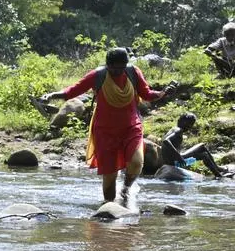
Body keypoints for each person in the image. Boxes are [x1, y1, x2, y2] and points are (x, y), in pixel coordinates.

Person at [41, 47, 175, 205]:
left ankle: (126, 188)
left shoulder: (133, 72)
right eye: (114, 68)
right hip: (105, 131)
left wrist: (161, 94)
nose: (118, 71)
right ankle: (108, 209)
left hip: (131, 127)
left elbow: (146, 94)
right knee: (109, 176)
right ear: (107, 65)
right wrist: (51, 95)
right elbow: (72, 91)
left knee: (136, 163)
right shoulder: (97, 75)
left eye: (122, 67)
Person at [160, 112, 231, 178]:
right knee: (203, 150)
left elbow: (163, 141)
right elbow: (166, 141)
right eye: (190, 124)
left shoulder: (173, 129)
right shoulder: (178, 130)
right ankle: (218, 171)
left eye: (192, 124)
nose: (190, 127)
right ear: (183, 121)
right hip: (176, 161)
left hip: (171, 161)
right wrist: (178, 157)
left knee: (203, 151)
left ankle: (218, 172)